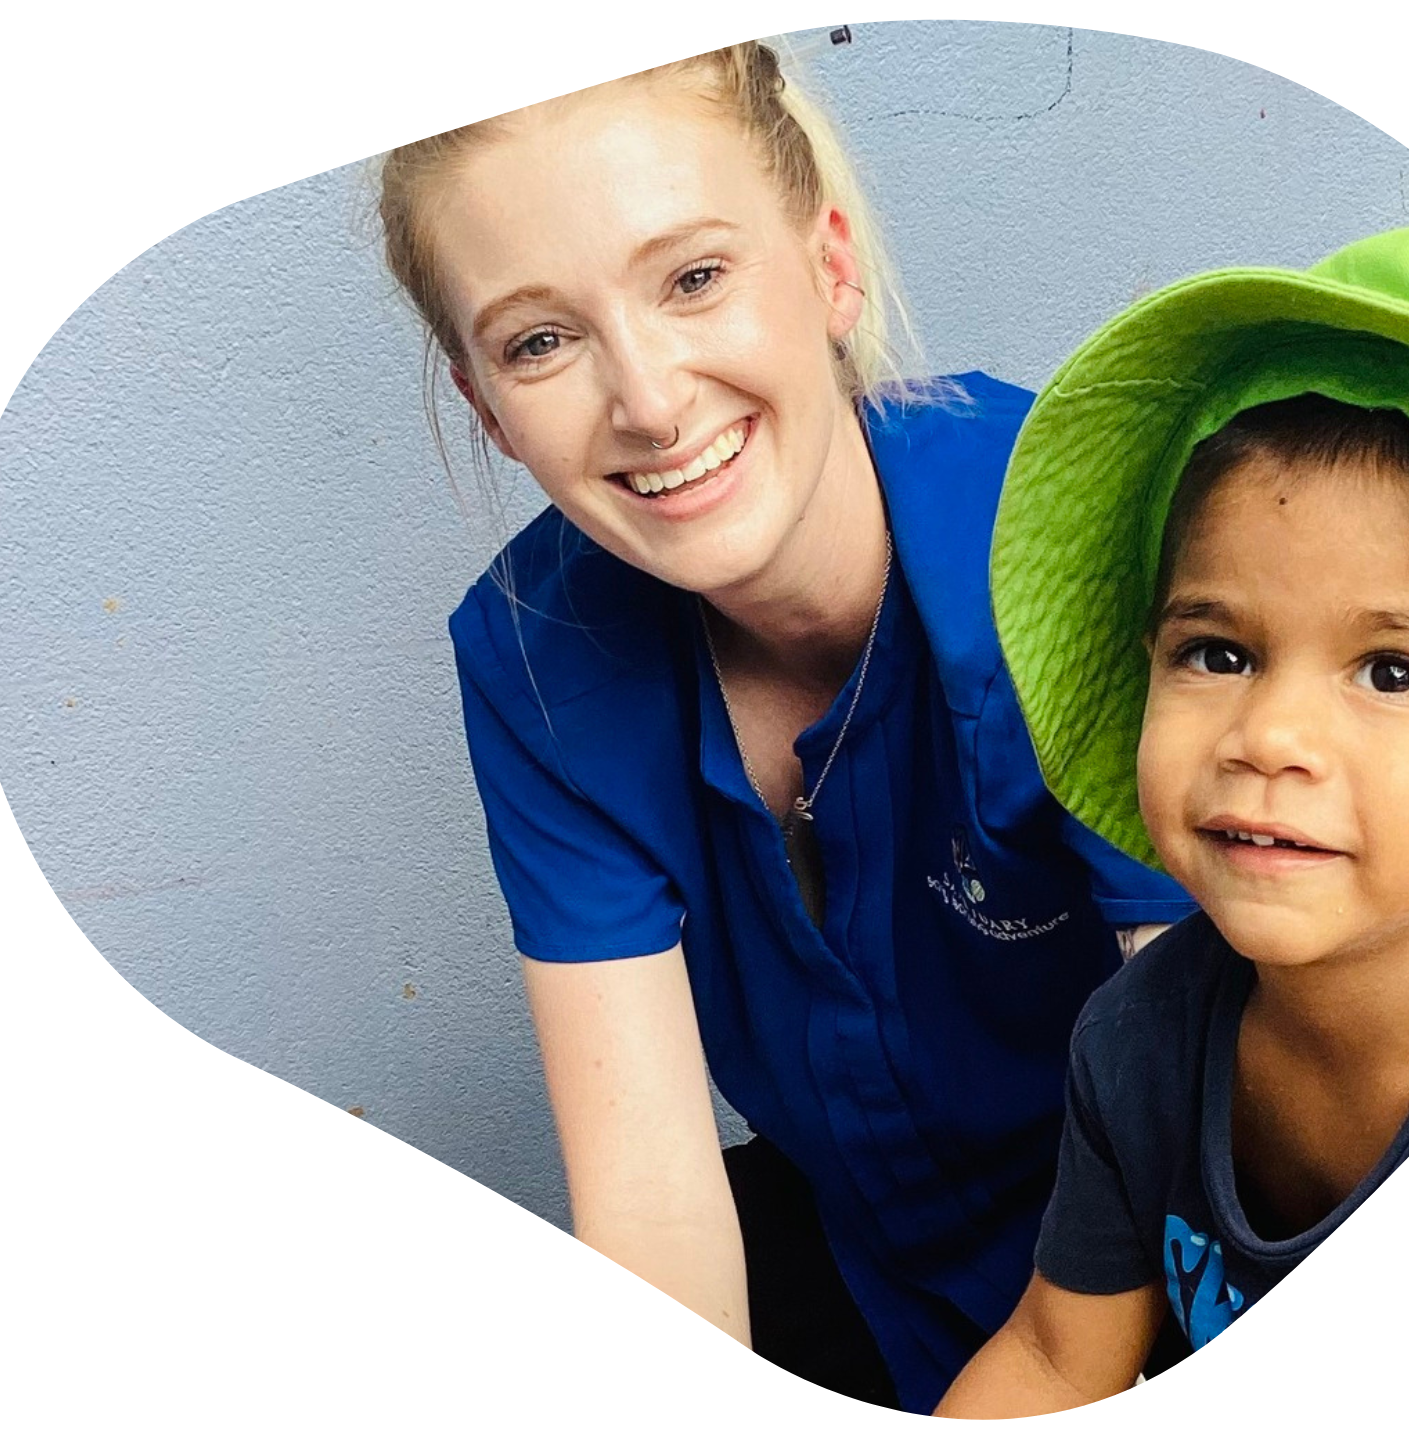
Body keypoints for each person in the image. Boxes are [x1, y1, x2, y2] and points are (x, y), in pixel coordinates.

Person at [374, 42, 1194, 1413]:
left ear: (826, 266)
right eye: (540, 341)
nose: (644, 399)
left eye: (694, 278)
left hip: (1164, 1271)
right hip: (880, 1280)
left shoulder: (1059, 535)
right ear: (486, 406)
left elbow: (1229, 1107)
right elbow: (651, 1208)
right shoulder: (532, 657)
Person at [936, 223, 1409, 1416]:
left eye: (1390, 671)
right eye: (1219, 651)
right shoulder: (1138, 1039)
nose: (1267, 736)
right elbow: (1053, 1358)